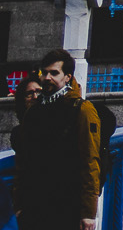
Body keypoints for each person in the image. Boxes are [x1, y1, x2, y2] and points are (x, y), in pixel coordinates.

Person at [11, 48, 103, 230]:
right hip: (34, 205)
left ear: (67, 77)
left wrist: (88, 213)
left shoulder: (82, 110)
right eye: (44, 73)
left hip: (67, 204)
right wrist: (19, 204)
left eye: (54, 73)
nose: (47, 78)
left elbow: (90, 161)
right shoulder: (34, 112)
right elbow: (24, 161)